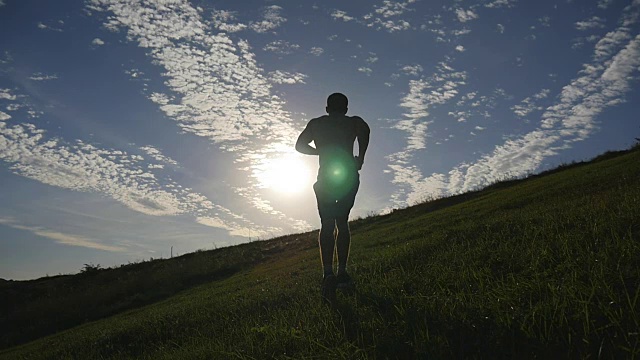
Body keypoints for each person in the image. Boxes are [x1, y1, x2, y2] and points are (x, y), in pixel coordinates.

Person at [295, 93, 370, 303]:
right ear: (345, 108)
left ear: (327, 108)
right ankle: (342, 273)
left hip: (326, 176)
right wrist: (360, 158)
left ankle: (328, 274)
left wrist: (321, 150)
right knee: (342, 223)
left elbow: (300, 145)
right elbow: (365, 130)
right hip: (347, 175)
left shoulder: (317, 124)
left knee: (327, 224)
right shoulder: (353, 122)